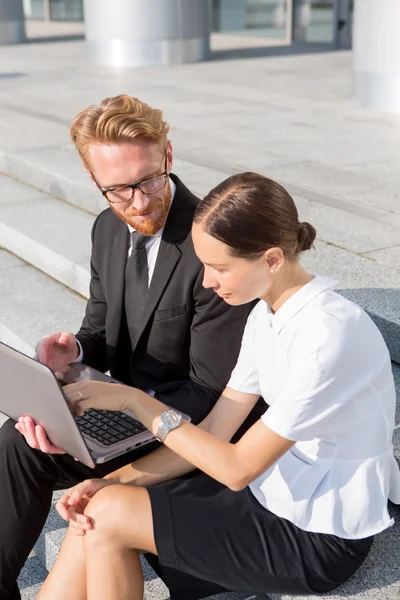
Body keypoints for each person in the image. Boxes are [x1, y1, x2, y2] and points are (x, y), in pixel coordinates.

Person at [37, 172, 400, 600]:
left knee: (110, 515)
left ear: (271, 259)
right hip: (268, 493)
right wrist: (114, 480)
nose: (207, 281)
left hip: (316, 533)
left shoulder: (328, 335)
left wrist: (135, 402)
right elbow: (213, 432)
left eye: (219, 267)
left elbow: (236, 467)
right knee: (96, 511)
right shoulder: (268, 314)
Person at [0, 96, 257, 600]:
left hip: (181, 427)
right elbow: (99, 329)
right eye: (118, 189)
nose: (138, 203)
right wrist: (72, 354)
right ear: (95, 181)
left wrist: (116, 422)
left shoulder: (214, 246)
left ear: (169, 156)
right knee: (18, 440)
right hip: (120, 410)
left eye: (149, 180)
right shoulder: (106, 228)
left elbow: (208, 393)